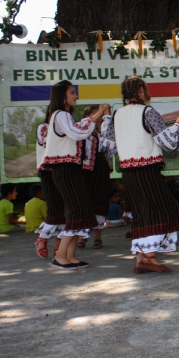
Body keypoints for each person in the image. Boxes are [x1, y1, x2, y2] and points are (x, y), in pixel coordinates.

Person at [100, 76, 179, 274]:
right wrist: (178, 126)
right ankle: (150, 257)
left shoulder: (118, 114)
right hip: (147, 169)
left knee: (141, 212)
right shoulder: (148, 112)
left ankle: (140, 258)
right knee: (160, 210)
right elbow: (168, 143)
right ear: (140, 90)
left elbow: (108, 147)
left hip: (128, 171)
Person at [42, 80, 109, 270]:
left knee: (78, 211)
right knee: (77, 210)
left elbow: (79, 131)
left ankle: (70, 255)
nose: (75, 96)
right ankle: (60, 255)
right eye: (72, 93)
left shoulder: (63, 116)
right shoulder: (60, 115)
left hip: (70, 169)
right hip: (64, 169)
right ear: (62, 95)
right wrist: (97, 114)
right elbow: (79, 132)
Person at [78, 105, 112, 250]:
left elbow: (109, 148)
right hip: (86, 170)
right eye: (94, 115)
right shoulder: (81, 132)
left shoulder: (101, 135)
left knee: (100, 202)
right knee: (85, 203)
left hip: (100, 169)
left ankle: (98, 237)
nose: (97, 118)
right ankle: (82, 236)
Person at [33, 114, 63, 259]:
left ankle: (58, 246)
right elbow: (47, 142)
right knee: (54, 209)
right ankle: (42, 238)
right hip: (47, 171)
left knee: (65, 211)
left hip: (63, 171)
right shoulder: (44, 127)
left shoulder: (66, 126)